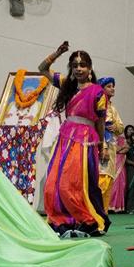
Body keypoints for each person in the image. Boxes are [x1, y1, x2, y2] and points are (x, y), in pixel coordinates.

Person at [37, 41, 110, 237]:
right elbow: (42, 68)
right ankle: (63, 220)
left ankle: (86, 219)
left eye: (82, 65)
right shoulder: (66, 85)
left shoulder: (98, 92)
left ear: (90, 68)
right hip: (65, 138)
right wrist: (57, 53)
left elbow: (101, 123)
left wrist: (102, 146)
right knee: (52, 183)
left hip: (85, 140)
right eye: (75, 65)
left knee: (71, 184)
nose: (78, 69)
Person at [96, 77, 125, 213]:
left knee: (108, 180)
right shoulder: (98, 105)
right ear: (101, 88)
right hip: (102, 146)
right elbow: (98, 127)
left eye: (113, 86)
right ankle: (96, 213)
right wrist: (103, 147)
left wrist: (115, 127)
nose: (112, 89)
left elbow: (121, 127)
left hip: (112, 147)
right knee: (102, 179)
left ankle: (103, 213)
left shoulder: (113, 108)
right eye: (109, 86)